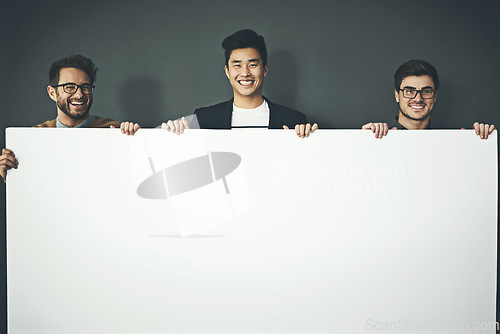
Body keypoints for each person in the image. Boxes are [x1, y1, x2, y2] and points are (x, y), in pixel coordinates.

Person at [0, 54, 135, 182]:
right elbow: (29, 191)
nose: (79, 95)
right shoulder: (34, 138)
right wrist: (12, 177)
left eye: (85, 87)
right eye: (70, 87)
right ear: (52, 93)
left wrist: (138, 142)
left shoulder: (113, 130)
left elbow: (128, 182)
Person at [160, 29, 318, 138]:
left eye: (253, 64)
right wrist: (140, 134)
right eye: (237, 65)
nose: (245, 73)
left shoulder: (294, 120)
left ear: (265, 69)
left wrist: (311, 140)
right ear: (227, 71)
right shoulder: (204, 118)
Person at [362, 59, 494, 139]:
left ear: (435, 96)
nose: (418, 98)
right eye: (409, 91)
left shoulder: (451, 142)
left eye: (426, 91)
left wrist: (479, 142)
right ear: (397, 95)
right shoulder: (375, 137)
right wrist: (361, 141)